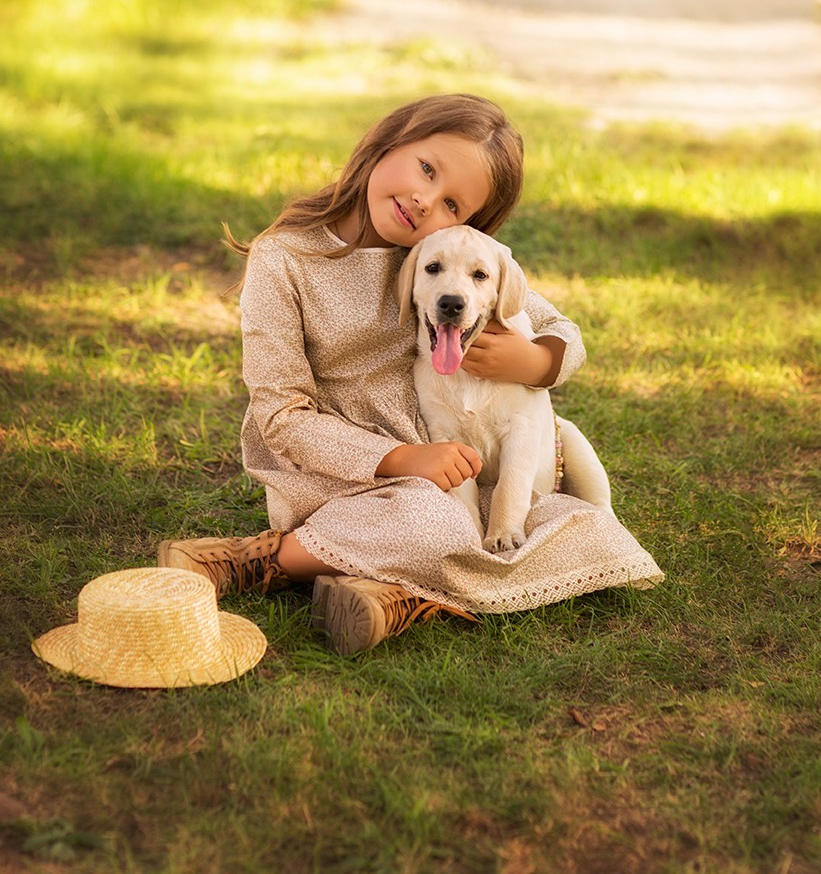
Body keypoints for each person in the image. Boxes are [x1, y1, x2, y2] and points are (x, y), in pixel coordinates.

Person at [160, 94, 662, 655]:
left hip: (448, 468)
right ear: (390, 138)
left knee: (585, 528)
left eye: (452, 204)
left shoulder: (437, 257)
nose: (425, 202)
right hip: (341, 474)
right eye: (426, 169)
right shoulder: (286, 260)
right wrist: (403, 459)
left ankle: (384, 596)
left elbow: (557, 328)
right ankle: (260, 561)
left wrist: (536, 361)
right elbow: (281, 416)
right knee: (437, 522)